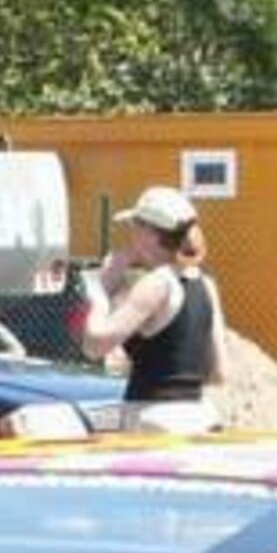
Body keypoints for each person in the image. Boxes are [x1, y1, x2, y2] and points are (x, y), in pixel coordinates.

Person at [78, 184, 226, 434]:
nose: (130, 236)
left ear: (150, 235)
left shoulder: (157, 283)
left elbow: (94, 346)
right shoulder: (205, 284)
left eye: (135, 227)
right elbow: (218, 372)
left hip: (152, 420)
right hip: (199, 417)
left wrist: (100, 291)